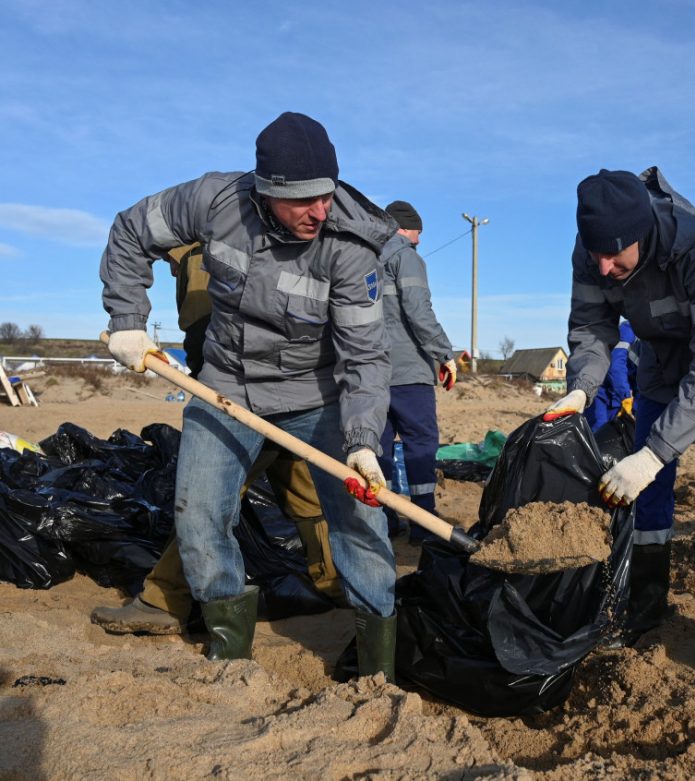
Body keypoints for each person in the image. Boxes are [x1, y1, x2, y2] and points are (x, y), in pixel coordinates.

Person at [99, 112, 398, 679]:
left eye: (326, 196)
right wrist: (128, 318)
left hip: (320, 396)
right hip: (226, 387)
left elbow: (364, 357)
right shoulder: (215, 200)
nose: (319, 212)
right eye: (302, 201)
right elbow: (131, 230)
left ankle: (377, 662)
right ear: (265, 191)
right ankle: (229, 655)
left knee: (360, 520)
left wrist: (361, 441)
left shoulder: (351, 246)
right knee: (199, 512)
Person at [546, 167, 695, 647]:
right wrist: (581, 389)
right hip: (659, 356)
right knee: (646, 487)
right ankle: (646, 604)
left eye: (613, 255)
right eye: (596, 255)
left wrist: (655, 453)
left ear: (643, 234)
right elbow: (591, 327)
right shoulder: (592, 254)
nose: (603, 267)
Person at [92, 243, 343, 635]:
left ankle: (164, 599)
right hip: (287, 387)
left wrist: (209, 389)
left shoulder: (198, 259)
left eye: (166, 263)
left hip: (242, 397)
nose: (168, 271)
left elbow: (203, 336)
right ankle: (334, 581)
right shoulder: (236, 248)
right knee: (304, 489)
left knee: (209, 497)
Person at [377, 200, 457, 544]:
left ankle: (383, 520)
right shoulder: (405, 256)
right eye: (417, 232)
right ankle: (423, 521)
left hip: (372, 372)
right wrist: (445, 353)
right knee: (421, 445)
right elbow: (419, 312)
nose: (419, 241)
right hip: (409, 371)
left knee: (378, 447)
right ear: (404, 228)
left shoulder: (364, 258)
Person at [584, 319, 637, 432]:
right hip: (600, 389)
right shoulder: (628, 330)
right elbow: (616, 366)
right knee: (599, 428)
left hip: (618, 395)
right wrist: (626, 396)